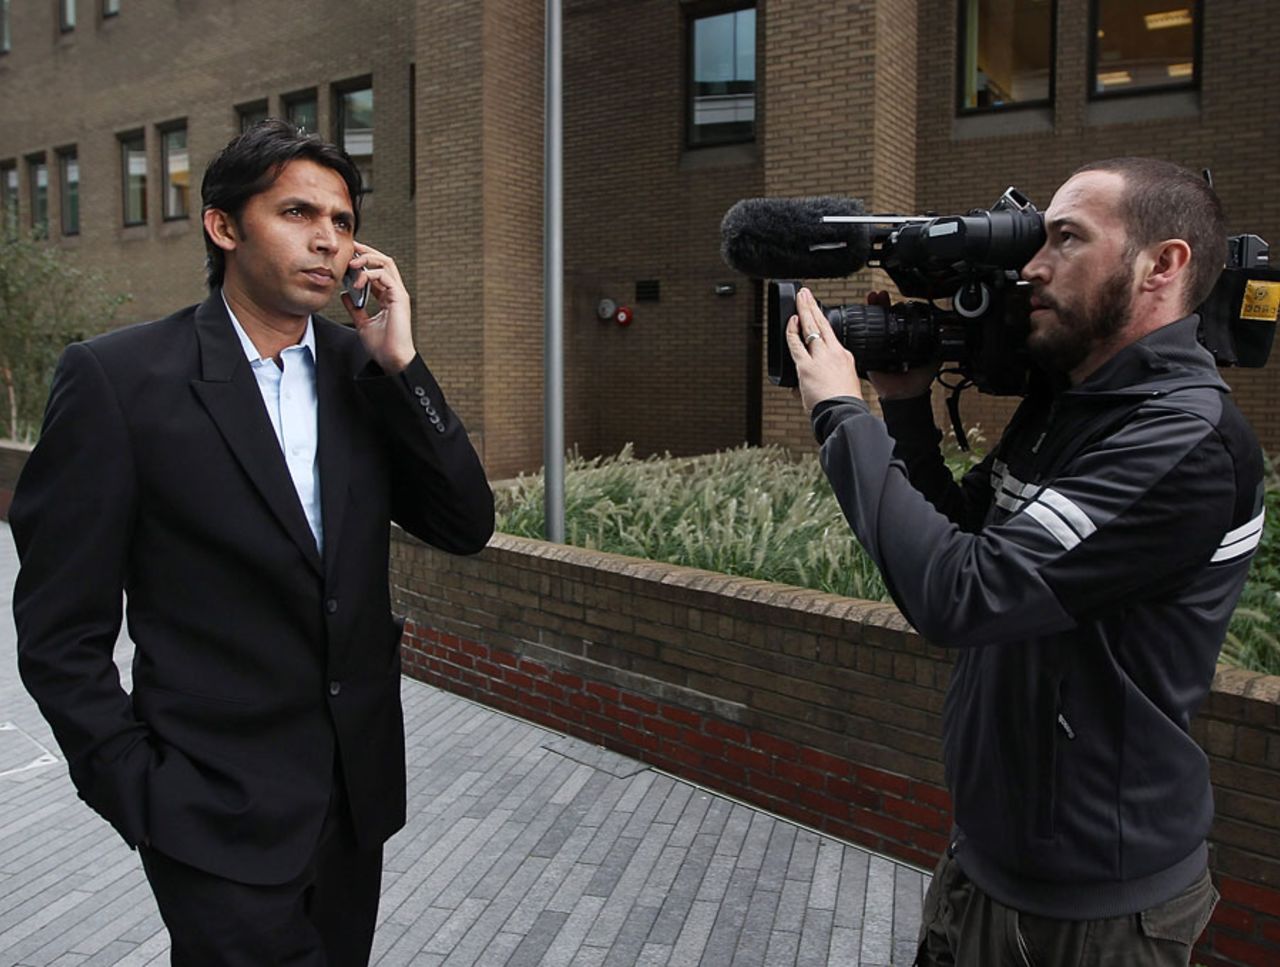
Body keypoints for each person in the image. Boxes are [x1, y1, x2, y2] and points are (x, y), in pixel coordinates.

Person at [11, 119, 495, 964]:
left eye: (343, 222)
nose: (328, 241)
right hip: (208, 814)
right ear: (224, 225)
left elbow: (465, 523)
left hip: (354, 805)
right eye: (298, 213)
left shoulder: (361, 370)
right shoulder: (118, 381)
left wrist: (402, 364)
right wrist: (139, 792)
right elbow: (59, 633)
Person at [786, 157, 1263, 966]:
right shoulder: (1068, 404)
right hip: (983, 866)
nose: (1032, 268)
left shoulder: (1185, 442)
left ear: (1163, 265)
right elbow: (965, 534)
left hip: (1093, 917)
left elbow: (961, 594)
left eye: (1065, 240)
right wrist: (902, 403)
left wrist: (842, 414)